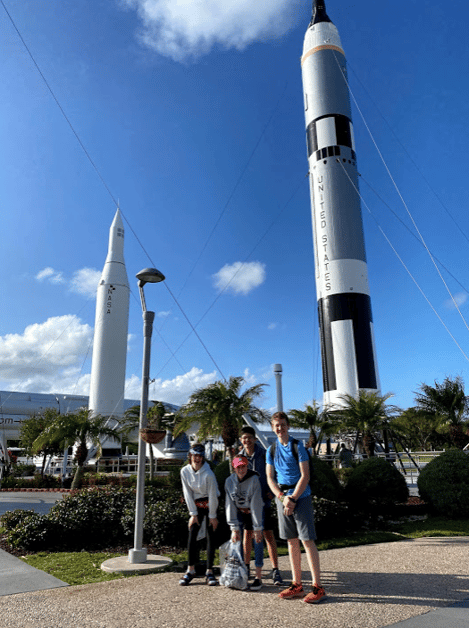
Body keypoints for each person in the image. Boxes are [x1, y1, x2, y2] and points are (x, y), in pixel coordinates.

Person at [266, 411, 327, 604]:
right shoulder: (271, 449)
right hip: (283, 498)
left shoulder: (298, 446)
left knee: (307, 540)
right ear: (272, 427)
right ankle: (297, 584)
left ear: (288, 425)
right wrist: (283, 497)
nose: (279, 428)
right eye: (276, 425)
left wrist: (292, 498)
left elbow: (305, 475)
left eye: (282, 424)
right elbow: (270, 478)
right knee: (291, 541)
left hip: (301, 497)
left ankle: (317, 586)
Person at [238, 426, 283, 586]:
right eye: (244, 438)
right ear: (241, 440)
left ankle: (276, 570)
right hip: (247, 505)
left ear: (255, 439)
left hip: (264, 502)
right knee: (247, 535)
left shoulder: (265, 454)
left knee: (268, 535)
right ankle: (246, 567)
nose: (247, 440)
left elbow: (276, 472)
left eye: (249, 437)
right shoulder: (239, 457)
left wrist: (273, 491)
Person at [179, 443, 219, 586]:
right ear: (190, 456)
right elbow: (187, 493)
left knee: (210, 537)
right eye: (194, 455)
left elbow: (213, 495)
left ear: (203, 458)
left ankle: (209, 571)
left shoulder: (209, 474)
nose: (197, 459)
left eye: (200, 456)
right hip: (196, 505)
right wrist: (193, 514)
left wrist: (213, 516)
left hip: (210, 504)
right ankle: (191, 570)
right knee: (192, 535)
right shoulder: (184, 471)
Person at [225, 455, 264, 590]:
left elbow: (256, 504)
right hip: (239, 511)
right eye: (239, 467)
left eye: (244, 466)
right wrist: (233, 528)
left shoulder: (254, 480)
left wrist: (258, 528)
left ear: (247, 466)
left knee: (257, 540)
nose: (242, 470)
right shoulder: (229, 481)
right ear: (234, 468)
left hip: (253, 510)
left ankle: (258, 576)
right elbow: (229, 504)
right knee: (237, 540)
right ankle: (242, 571)